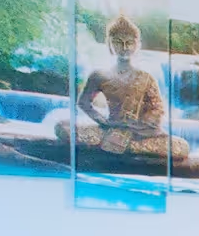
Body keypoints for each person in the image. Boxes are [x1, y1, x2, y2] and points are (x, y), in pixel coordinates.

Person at [56, 14, 189, 160]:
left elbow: (158, 109)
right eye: (118, 42)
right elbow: (83, 103)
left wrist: (135, 127)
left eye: (129, 43)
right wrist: (102, 121)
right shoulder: (100, 75)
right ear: (109, 44)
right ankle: (123, 145)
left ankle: (128, 146)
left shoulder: (146, 78)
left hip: (141, 133)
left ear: (137, 45)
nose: (124, 47)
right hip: (111, 128)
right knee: (63, 128)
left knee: (180, 147)